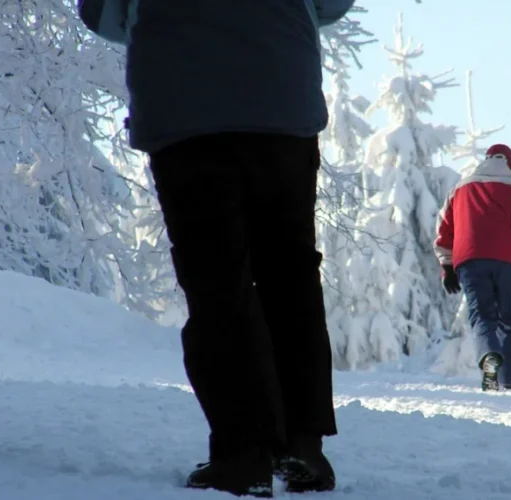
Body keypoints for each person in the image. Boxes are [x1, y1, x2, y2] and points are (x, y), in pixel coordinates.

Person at [77, 0, 355, 497]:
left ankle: (244, 453)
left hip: (184, 100)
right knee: (290, 271)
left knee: (216, 279)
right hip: (279, 95)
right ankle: (302, 446)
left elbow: (98, 12)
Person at [434, 144, 511, 392]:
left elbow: (444, 228)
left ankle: (489, 357)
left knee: (482, 315)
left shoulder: (459, 189)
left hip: (470, 261)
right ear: (509, 162)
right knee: (507, 318)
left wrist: (447, 265)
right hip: (504, 261)